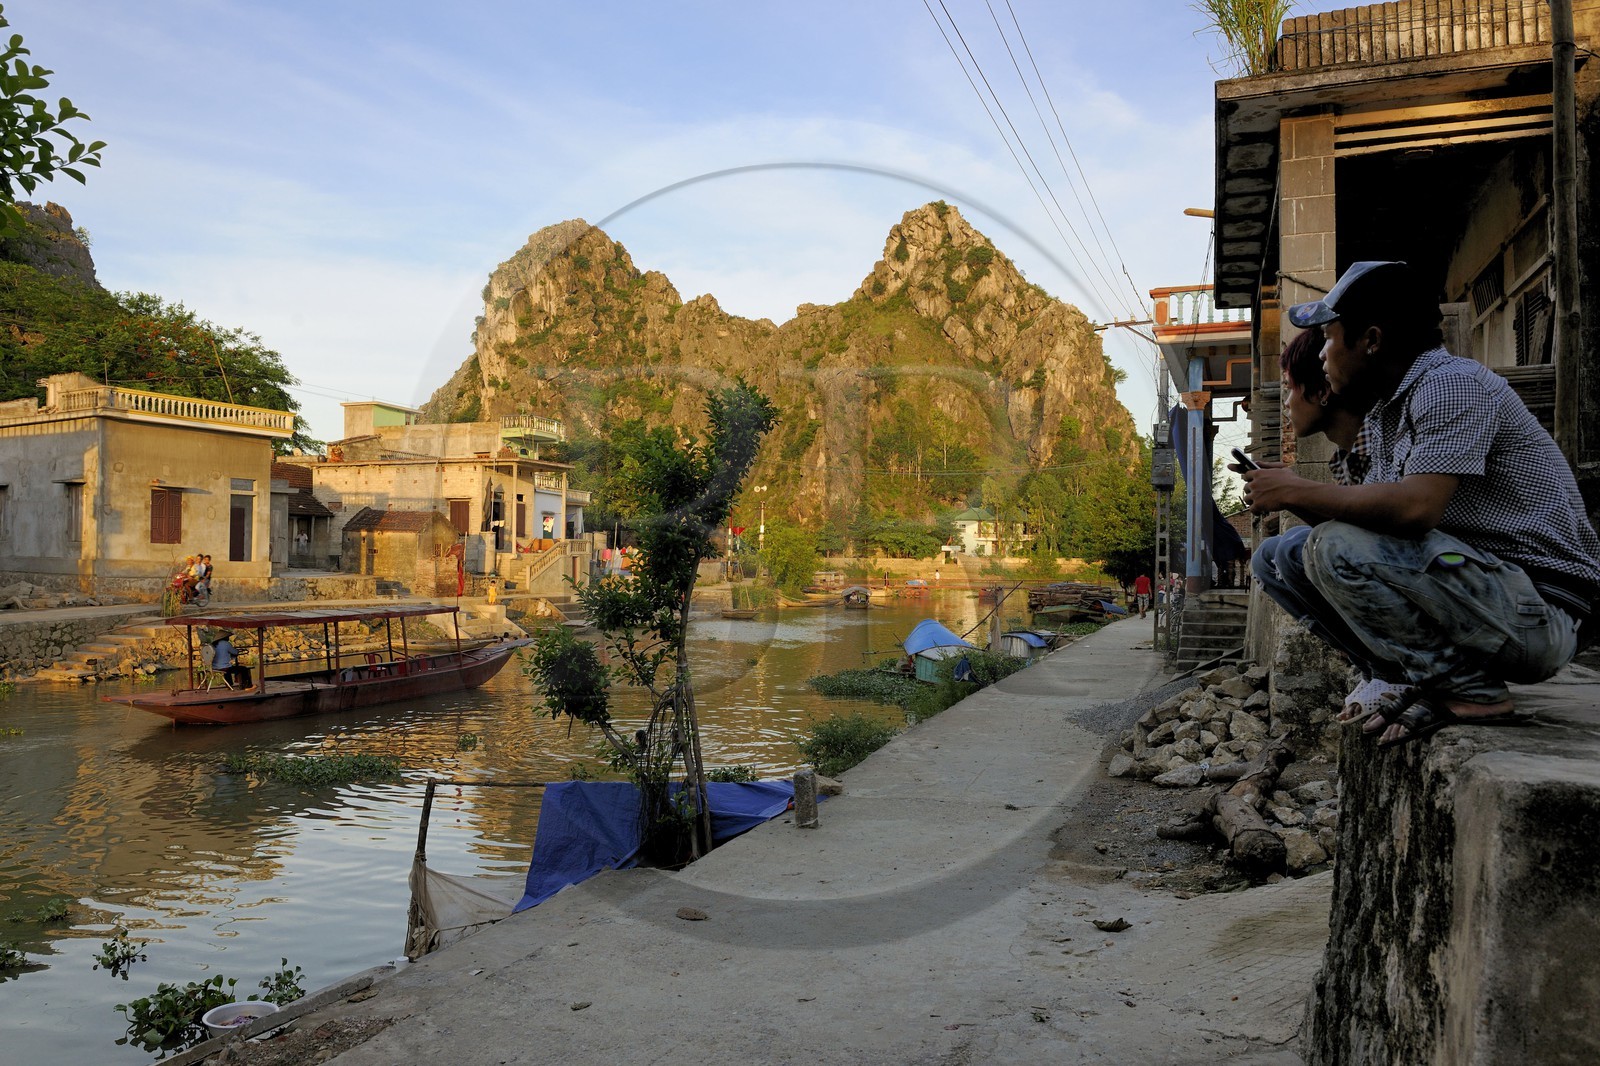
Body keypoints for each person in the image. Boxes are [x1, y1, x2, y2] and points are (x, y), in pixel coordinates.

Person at [1240, 260, 1600, 747]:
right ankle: (1404, 674)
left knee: (1330, 545)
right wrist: (1288, 492)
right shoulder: (1394, 406)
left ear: (1370, 339)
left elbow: (1416, 510)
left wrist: (1296, 489)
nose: (1322, 354)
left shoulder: (1451, 385)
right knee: (1281, 555)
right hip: (1486, 591)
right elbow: (1378, 528)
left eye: (1329, 337)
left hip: (1540, 609)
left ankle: (1466, 688)